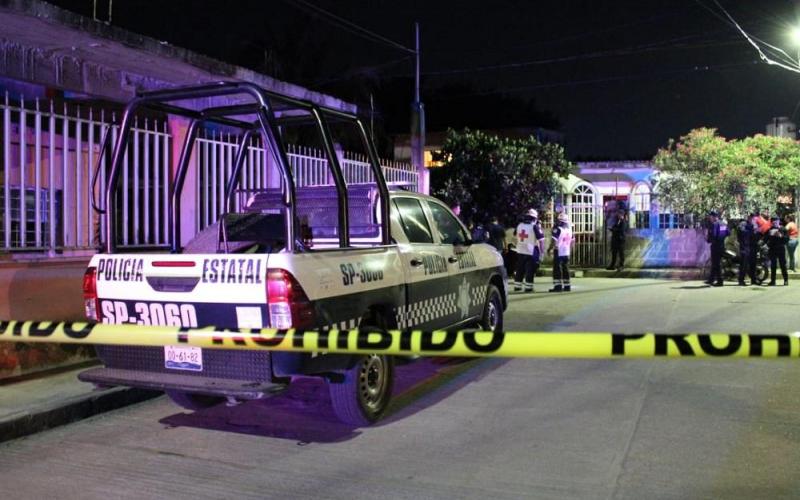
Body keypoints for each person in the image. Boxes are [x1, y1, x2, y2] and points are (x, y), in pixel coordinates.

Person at [513, 209, 545, 292]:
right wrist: (542, 252)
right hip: (531, 251)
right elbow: (541, 240)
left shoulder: (519, 225)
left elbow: (515, 235)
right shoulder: (534, 226)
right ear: (534, 218)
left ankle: (517, 286)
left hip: (520, 251)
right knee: (530, 270)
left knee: (520, 269)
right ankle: (528, 287)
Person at [549, 212, 574, 292]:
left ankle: (558, 286)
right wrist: (569, 249)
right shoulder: (569, 230)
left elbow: (554, 240)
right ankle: (567, 286)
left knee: (557, 269)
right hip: (566, 252)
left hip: (559, 251)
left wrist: (550, 249)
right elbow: (573, 242)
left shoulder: (558, 229)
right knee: (566, 269)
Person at [705, 210, 729, 287]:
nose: (709, 218)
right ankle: (711, 279)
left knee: (717, 264)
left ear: (714, 217)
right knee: (715, 263)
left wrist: (708, 239)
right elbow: (728, 233)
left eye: (710, 217)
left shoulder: (714, 224)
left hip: (715, 246)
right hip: (722, 245)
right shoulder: (723, 223)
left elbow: (714, 235)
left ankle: (720, 281)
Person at [765, 216, 789, 286]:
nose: (775, 223)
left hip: (781, 249)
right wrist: (769, 236)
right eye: (773, 221)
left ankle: (786, 280)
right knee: (773, 266)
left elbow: (787, 239)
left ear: (779, 221)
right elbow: (766, 239)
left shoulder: (783, 229)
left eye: (776, 221)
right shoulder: (770, 230)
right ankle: (773, 281)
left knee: (783, 265)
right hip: (772, 249)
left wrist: (781, 236)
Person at [737, 213, 759, 286]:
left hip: (753, 247)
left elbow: (756, 235)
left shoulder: (754, 224)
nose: (753, 219)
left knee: (753, 264)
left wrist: (756, 230)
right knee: (744, 265)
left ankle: (753, 279)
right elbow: (743, 234)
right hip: (745, 247)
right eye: (751, 217)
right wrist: (751, 229)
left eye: (753, 217)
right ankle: (741, 280)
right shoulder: (743, 224)